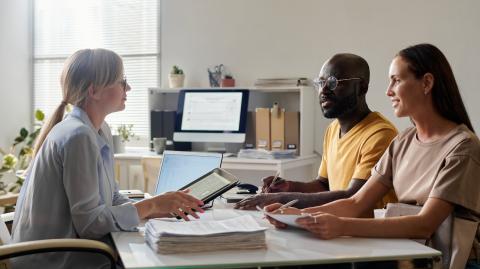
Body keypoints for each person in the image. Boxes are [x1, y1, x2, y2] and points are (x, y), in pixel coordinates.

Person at [265, 44, 480, 268]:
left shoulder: (463, 147)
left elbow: (424, 224)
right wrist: (295, 215)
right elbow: (356, 202)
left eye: (396, 80)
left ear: (426, 83)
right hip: (407, 254)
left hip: (441, 261)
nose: (388, 91)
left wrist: (341, 225)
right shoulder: (403, 142)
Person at [11, 48, 205, 268]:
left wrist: (154, 208)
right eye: (121, 81)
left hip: (72, 251)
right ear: (94, 91)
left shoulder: (98, 129)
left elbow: (111, 197)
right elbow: (90, 224)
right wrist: (149, 206)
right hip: (55, 260)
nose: (128, 88)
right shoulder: (78, 136)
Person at [235, 53, 397, 210]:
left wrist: (281, 199)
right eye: (320, 83)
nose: (324, 90)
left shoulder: (380, 135)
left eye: (333, 82)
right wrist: (288, 186)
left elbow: (353, 197)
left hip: (368, 232)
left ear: (361, 87)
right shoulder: (333, 130)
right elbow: (323, 185)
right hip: (338, 225)